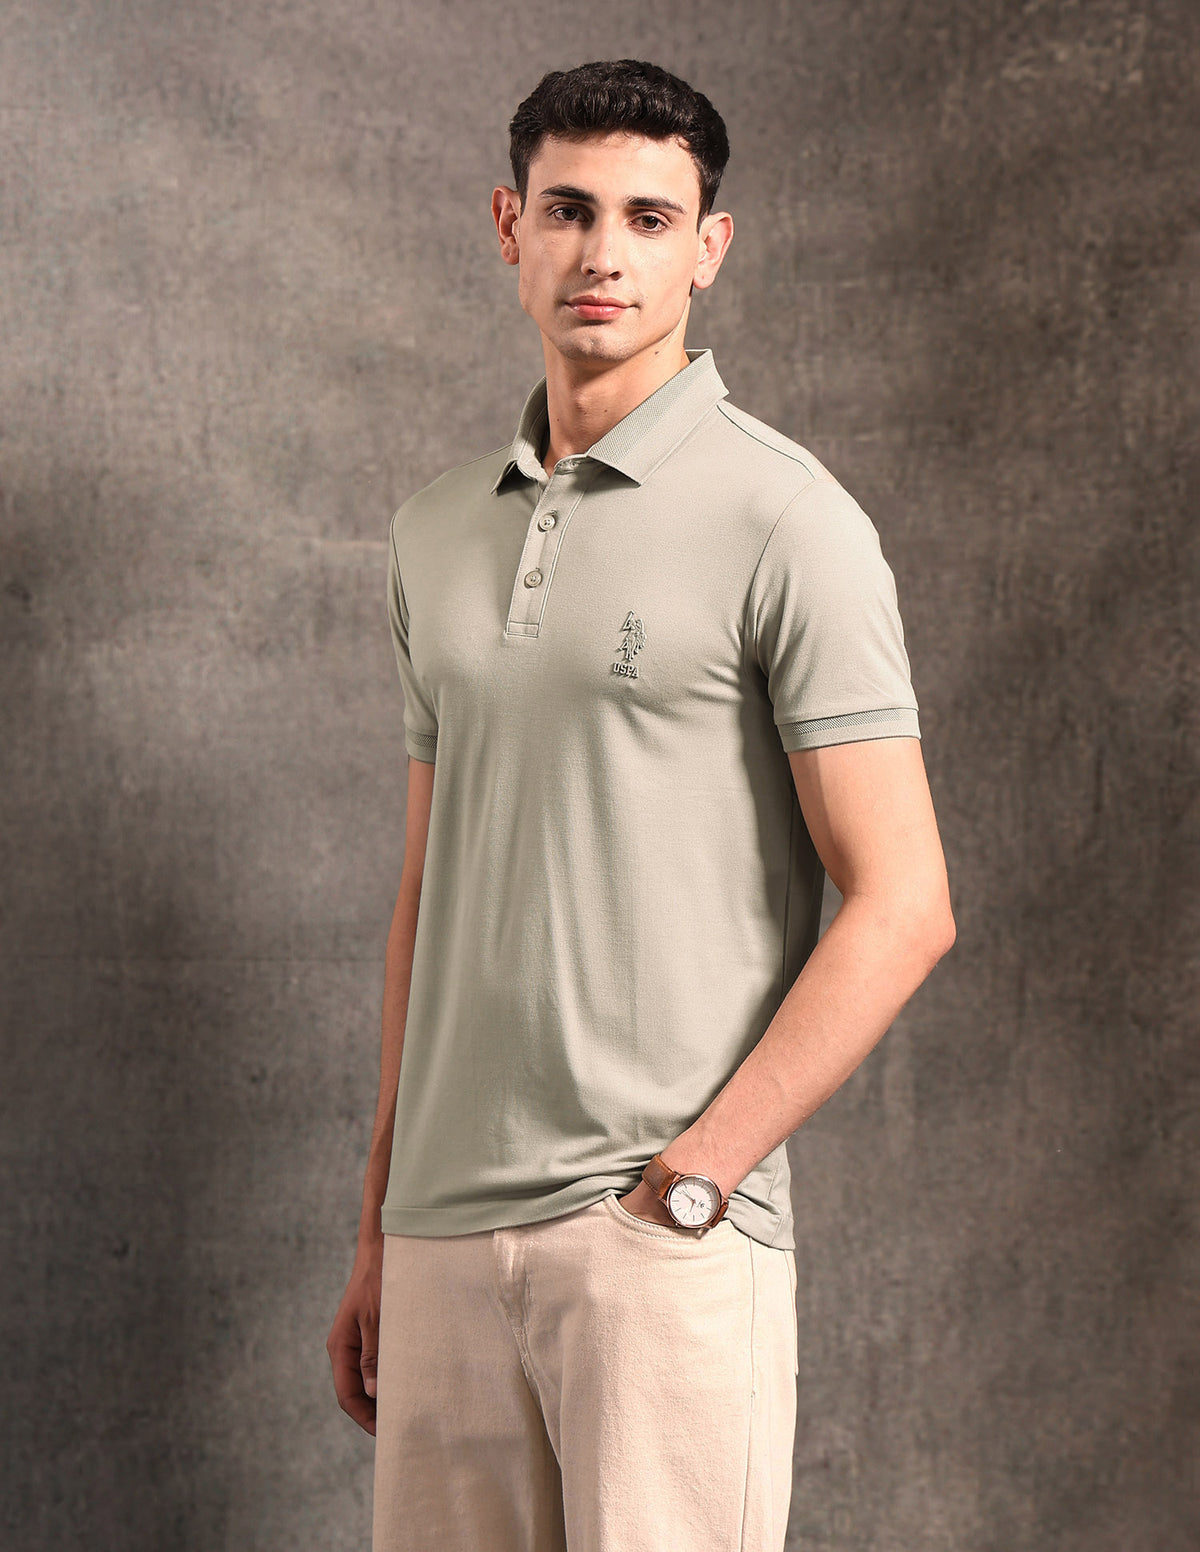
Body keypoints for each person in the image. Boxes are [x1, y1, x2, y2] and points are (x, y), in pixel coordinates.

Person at [327, 57, 955, 1552]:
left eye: (649, 218)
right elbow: (431, 890)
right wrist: (381, 1219)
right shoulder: (431, 531)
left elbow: (906, 902)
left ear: (708, 249)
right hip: (441, 1235)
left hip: (656, 1231)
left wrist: (694, 1183)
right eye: (568, 210)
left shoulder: (788, 519)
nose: (602, 252)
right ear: (510, 226)